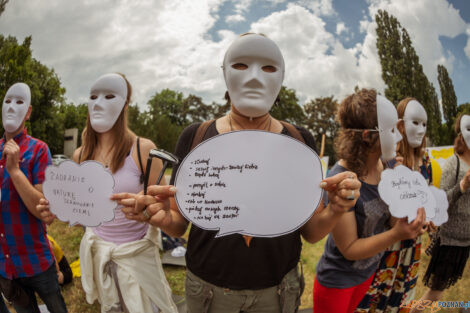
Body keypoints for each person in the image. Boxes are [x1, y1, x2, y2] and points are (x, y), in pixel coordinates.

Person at [113, 33, 361, 313]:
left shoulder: (299, 141)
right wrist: (161, 218)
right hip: (208, 289)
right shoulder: (195, 137)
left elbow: (312, 232)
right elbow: (181, 223)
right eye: (241, 65)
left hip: (278, 290)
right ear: (225, 74)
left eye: (268, 67)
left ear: (281, 77)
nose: (254, 78)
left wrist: (337, 209)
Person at [38, 73, 178, 313]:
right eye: (93, 96)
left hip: (138, 260)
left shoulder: (144, 150)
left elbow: (172, 221)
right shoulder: (80, 156)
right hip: (100, 257)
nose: (99, 102)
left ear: (125, 104)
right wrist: (59, 209)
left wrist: (149, 211)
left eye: (109, 95)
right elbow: (86, 213)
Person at [313, 89, 427, 313]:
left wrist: (414, 214)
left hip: (367, 274)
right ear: (367, 136)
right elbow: (349, 249)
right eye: (392, 130)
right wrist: (397, 235)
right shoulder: (344, 179)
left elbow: (394, 219)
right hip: (338, 282)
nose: (400, 137)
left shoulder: (387, 167)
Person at [355, 97, 429, 312]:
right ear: (400, 125)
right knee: (375, 300)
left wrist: (428, 220)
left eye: (425, 124)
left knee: (401, 301)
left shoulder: (426, 163)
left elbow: (426, 201)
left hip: (412, 248)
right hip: (386, 246)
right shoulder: (386, 160)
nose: (421, 129)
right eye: (415, 122)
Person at [0, 83, 67, 313]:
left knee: (57, 308)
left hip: (36, 259)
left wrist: (15, 171)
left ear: (28, 112)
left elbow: (44, 211)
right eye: (7, 101)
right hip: (6, 264)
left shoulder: (39, 149)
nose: (11, 107)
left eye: (19, 102)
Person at [411, 113, 470, 312]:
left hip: (467, 239)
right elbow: (442, 200)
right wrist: (463, 185)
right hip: (450, 240)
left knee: (441, 289)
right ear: (462, 135)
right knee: (436, 292)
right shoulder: (454, 163)